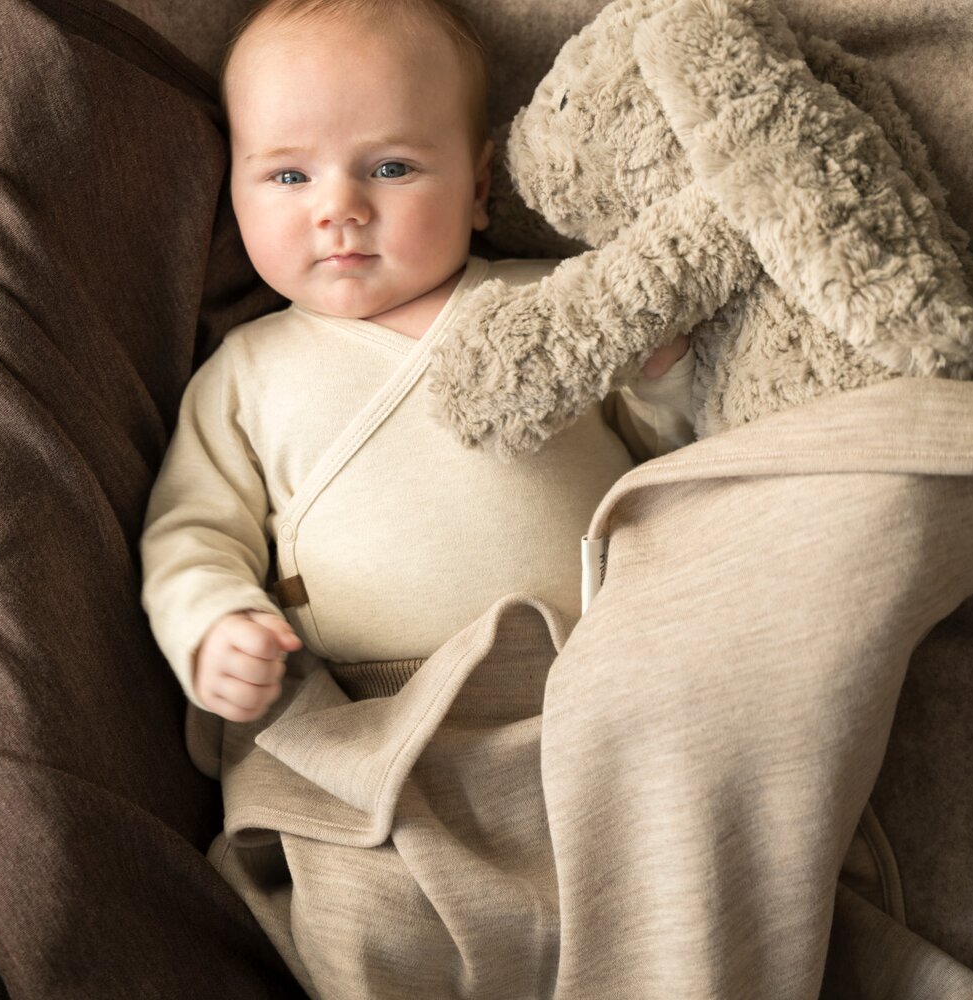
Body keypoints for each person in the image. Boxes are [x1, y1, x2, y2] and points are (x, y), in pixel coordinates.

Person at [140, 0, 695, 723]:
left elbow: (666, 468)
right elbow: (193, 529)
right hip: (380, 711)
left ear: (477, 187)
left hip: (610, 673)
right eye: (287, 177)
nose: (339, 207)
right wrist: (214, 622)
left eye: (392, 167)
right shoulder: (247, 374)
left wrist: (666, 378)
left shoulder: (561, 303)